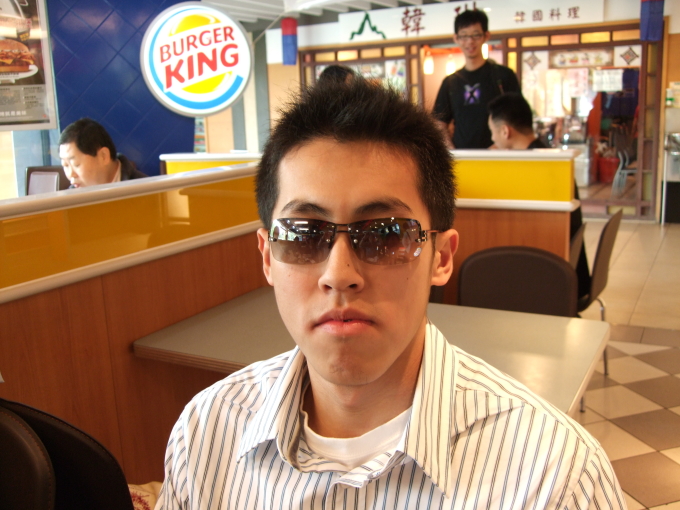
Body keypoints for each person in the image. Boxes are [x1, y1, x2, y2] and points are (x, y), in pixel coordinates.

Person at [156, 77, 624, 510]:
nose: (339, 274)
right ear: (267, 257)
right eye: (303, 234)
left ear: (441, 257)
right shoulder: (206, 434)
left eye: (386, 234)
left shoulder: (554, 478)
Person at [488, 92, 591, 299]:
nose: (492, 139)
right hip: (572, 271)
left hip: (555, 280)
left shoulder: (533, 167)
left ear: (505, 131)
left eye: (492, 132)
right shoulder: (546, 158)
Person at [432, 9, 520, 149]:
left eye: (476, 35)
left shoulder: (504, 76)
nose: (470, 41)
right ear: (456, 38)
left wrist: (496, 149)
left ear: (486, 36)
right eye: (464, 36)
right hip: (461, 159)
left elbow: (518, 118)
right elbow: (439, 124)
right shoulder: (450, 82)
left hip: (498, 156)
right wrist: (452, 152)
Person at [58, 118, 147, 188]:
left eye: (76, 164)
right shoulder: (70, 200)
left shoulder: (145, 191)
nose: (70, 174)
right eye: (65, 165)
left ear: (103, 156)